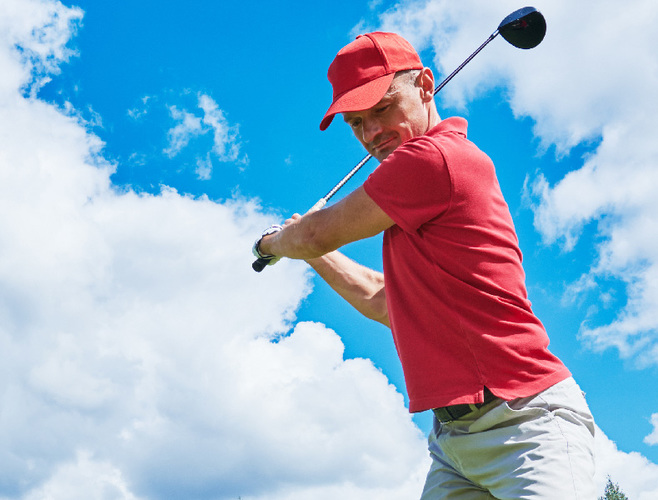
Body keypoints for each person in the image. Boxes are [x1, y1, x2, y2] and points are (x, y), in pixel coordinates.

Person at [253, 32, 598, 499]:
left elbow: (317, 233)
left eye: (382, 108)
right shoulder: (411, 200)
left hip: (528, 425)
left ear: (425, 85)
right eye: (356, 123)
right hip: (454, 446)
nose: (371, 133)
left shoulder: (434, 158)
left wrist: (272, 242)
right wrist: (309, 249)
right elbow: (383, 301)